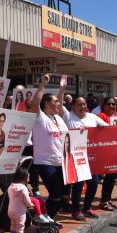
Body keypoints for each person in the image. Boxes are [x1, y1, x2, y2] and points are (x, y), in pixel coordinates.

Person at [30, 73, 70, 219]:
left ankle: (47, 218)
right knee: (56, 195)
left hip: (62, 163)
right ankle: (43, 218)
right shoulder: (40, 118)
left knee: (65, 195)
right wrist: (43, 85)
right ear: (47, 104)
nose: (59, 103)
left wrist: (61, 89)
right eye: (55, 102)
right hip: (45, 162)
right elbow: (35, 104)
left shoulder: (58, 118)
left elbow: (68, 137)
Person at [63, 95, 108, 220]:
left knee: (93, 183)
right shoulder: (68, 116)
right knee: (78, 185)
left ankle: (87, 207)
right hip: (76, 156)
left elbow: (107, 128)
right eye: (79, 104)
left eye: (84, 104)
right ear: (73, 107)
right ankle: (76, 211)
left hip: (91, 157)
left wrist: (101, 128)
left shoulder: (92, 117)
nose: (82, 106)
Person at [7, 164, 46, 233]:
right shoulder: (23, 188)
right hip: (20, 212)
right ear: (24, 178)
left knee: (13, 224)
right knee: (20, 226)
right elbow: (27, 200)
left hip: (10, 211)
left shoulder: (10, 186)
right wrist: (30, 205)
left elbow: (10, 197)